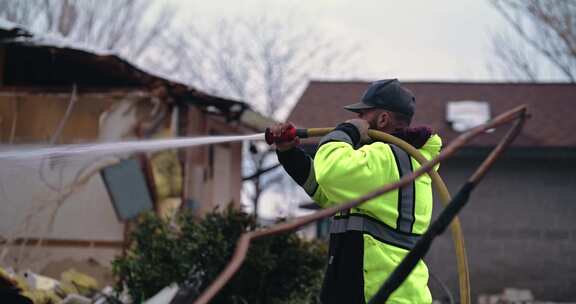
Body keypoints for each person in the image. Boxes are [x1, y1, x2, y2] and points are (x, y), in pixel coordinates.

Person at [269, 79, 441, 303]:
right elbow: (329, 193)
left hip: (380, 296)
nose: (357, 120)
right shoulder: (395, 163)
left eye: (362, 115)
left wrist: (348, 131)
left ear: (382, 119)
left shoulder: (391, 158)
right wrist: (290, 155)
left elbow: (332, 172)